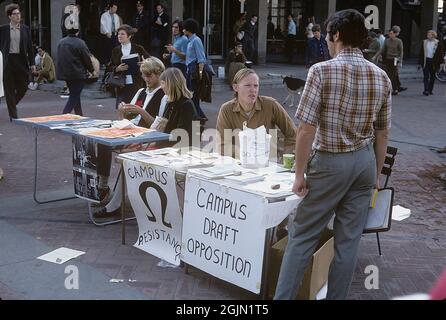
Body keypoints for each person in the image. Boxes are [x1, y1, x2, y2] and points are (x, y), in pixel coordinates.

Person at [274, 9, 391, 300]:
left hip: (329, 160)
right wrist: (376, 175)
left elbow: (305, 129)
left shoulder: (321, 70)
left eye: (328, 35)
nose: (326, 41)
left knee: (301, 237)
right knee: (348, 242)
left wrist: (299, 174)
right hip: (364, 161)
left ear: (336, 35)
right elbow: (383, 133)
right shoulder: (381, 76)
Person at [216, 68, 297, 159]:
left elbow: (293, 134)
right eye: (248, 85)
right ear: (236, 87)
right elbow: (223, 146)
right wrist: (247, 154)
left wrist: (286, 156)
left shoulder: (270, 105)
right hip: (239, 165)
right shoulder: (226, 110)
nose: (253, 90)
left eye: (256, 86)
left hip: (269, 164)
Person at [0, 3, 35, 120]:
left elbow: (30, 47)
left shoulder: (25, 29)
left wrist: (33, 63)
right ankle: (13, 115)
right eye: (14, 14)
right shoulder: (3, 30)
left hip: (21, 61)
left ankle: (12, 104)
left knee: (24, 87)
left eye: (18, 13)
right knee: (9, 89)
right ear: (9, 16)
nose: (17, 16)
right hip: (8, 61)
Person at [56, 23, 94, 116]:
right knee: (74, 95)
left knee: (75, 94)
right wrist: (91, 70)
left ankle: (79, 115)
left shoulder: (61, 42)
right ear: (78, 31)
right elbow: (86, 58)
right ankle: (64, 115)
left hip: (65, 73)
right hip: (78, 73)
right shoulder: (80, 42)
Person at [108, 24, 149, 109]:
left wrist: (144, 63)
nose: (119, 36)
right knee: (122, 107)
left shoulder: (138, 48)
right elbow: (110, 66)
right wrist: (117, 68)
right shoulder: (115, 50)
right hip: (121, 83)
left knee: (136, 107)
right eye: (118, 34)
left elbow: (150, 61)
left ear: (129, 36)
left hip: (137, 82)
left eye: (122, 34)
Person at [183, 18, 208, 123]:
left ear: (189, 29)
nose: (183, 30)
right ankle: (199, 116)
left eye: (185, 28)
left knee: (194, 96)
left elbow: (201, 59)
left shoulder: (196, 40)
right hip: (189, 71)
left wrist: (200, 75)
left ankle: (198, 118)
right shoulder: (190, 41)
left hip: (194, 73)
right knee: (191, 96)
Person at [374, 26, 404, 95]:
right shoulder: (387, 41)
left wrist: (401, 61)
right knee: (390, 73)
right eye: (389, 33)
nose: (390, 35)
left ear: (394, 34)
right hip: (388, 58)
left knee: (393, 73)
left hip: (395, 59)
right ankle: (397, 87)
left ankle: (395, 89)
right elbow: (382, 49)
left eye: (391, 33)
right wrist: (376, 56)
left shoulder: (399, 41)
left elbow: (401, 51)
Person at [419, 30, 445, 96]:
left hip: (434, 62)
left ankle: (430, 90)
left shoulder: (438, 43)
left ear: (433, 35)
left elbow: (440, 53)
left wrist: (442, 62)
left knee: (432, 76)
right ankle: (426, 90)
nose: (428, 36)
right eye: (428, 35)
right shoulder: (424, 42)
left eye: (429, 35)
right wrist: (420, 62)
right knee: (426, 76)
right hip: (426, 61)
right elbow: (421, 52)